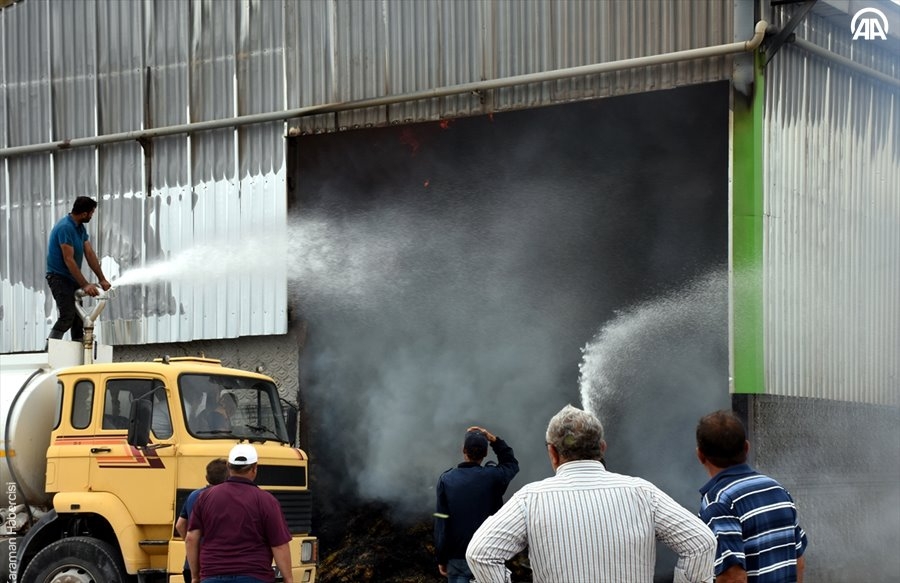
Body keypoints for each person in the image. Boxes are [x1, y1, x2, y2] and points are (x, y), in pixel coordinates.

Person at [466, 404, 715, 583]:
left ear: (552, 453)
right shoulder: (642, 492)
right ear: (602, 448)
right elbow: (702, 543)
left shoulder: (530, 499)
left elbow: (480, 554)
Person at [696, 410, 808, 583]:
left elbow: (733, 577)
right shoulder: (777, 490)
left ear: (700, 455)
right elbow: (798, 563)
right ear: (747, 448)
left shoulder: (718, 502)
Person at [186, 444, 293, 583]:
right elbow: (279, 545)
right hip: (255, 576)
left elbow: (191, 538)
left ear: (229, 468)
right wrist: (288, 578)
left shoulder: (205, 497)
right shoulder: (266, 500)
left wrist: (195, 576)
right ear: (254, 468)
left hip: (212, 575)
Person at [435, 426, 519, 583]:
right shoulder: (494, 476)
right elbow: (511, 463)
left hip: (457, 557)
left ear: (463, 450)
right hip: (488, 554)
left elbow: (442, 521)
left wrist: (441, 557)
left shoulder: (446, 480)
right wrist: (494, 440)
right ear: (486, 453)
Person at [45, 196, 111, 344]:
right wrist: (85, 285)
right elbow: (68, 260)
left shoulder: (80, 228)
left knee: (78, 319)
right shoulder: (65, 227)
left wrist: (102, 278)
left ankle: (79, 348)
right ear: (83, 214)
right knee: (67, 316)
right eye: (91, 213)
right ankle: (49, 350)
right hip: (58, 277)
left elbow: (89, 253)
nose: (92, 216)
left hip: (71, 278)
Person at [175, 458, 228, 583]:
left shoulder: (194, 495)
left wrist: (191, 544)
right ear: (228, 477)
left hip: (191, 563)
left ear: (206, 476)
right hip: (214, 565)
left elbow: (180, 525)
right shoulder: (226, 498)